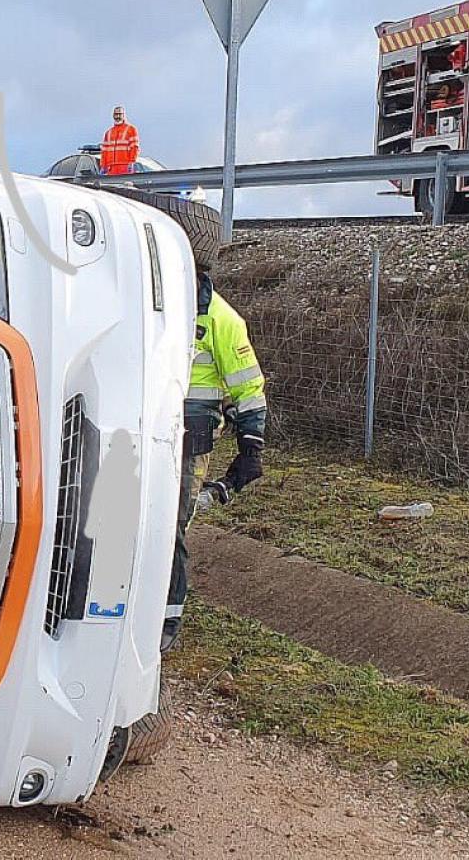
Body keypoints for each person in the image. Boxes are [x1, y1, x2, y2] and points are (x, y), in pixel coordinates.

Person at [162, 214, 268, 652]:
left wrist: (251, 447)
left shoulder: (222, 320)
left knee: (170, 530)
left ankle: (165, 622)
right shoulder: (152, 306)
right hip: (138, 436)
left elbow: (247, 384)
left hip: (190, 441)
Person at [100, 106, 140, 176]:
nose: (118, 116)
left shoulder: (131, 129)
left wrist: (132, 162)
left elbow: (134, 148)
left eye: (120, 114)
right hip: (111, 168)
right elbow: (104, 152)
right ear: (113, 115)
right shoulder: (108, 132)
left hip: (125, 166)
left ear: (124, 115)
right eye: (116, 114)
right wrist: (103, 165)